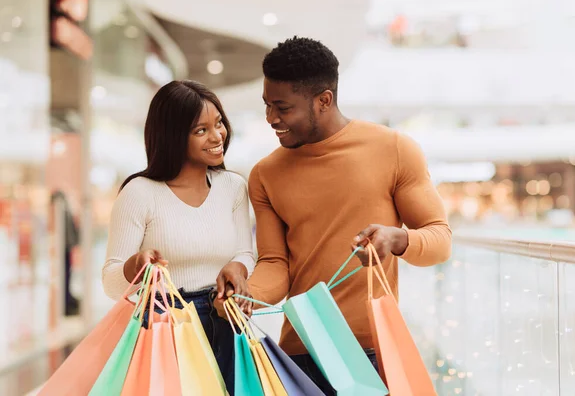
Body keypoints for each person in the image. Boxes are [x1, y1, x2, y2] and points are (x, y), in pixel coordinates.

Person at [244, 36, 452, 394]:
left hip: (372, 351)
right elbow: (276, 263)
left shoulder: (394, 150)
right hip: (299, 354)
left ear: (323, 100)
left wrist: (397, 238)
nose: (271, 118)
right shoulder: (265, 174)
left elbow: (440, 240)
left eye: (282, 107)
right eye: (266, 105)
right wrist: (248, 294)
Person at [102, 80, 254, 394]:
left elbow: (244, 252)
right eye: (201, 130)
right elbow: (111, 282)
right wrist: (136, 267)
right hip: (164, 323)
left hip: (226, 319)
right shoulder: (139, 193)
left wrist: (238, 270)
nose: (217, 137)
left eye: (219, 124)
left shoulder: (233, 187)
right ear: (172, 136)